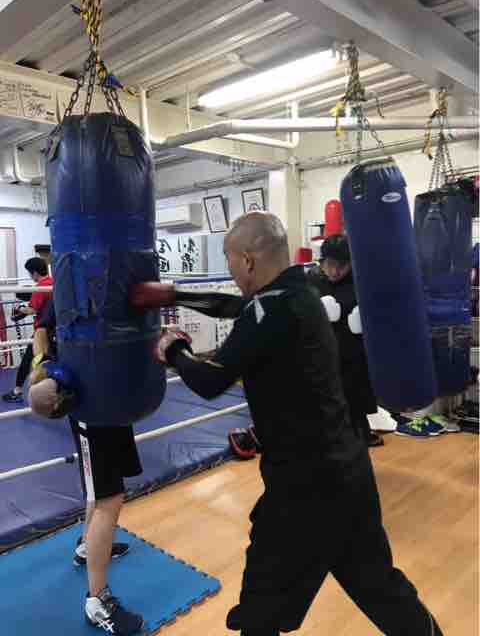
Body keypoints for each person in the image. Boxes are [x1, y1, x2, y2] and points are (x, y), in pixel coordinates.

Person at [155, 212, 443, 636]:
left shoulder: (268, 308)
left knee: (262, 603)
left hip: (304, 487)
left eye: (230, 259)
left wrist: (173, 349)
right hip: (348, 470)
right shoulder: (303, 291)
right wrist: (175, 294)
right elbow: (234, 306)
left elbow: (211, 380)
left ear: (248, 260)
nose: (231, 270)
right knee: (380, 586)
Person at [28, 300, 144, 636]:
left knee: (109, 493)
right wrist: (43, 365)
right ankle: (97, 601)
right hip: (90, 412)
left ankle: (87, 546)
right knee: (108, 497)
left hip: (115, 407)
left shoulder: (113, 288)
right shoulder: (71, 286)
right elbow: (40, 331)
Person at [307, 234, 384, 447]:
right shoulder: (312, 280)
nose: (334, 271)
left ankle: (359, 431)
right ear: (322, 262)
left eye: (341, 266)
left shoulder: (360, 281)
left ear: (350, 263)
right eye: (329, 265)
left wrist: (366, 318)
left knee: (354, 393)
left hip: (352, 350)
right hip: (322, 350)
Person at [2, 257, 52, 403]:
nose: (30, 276)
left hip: (41, 332)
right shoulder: (53, 282)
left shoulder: (40, 288)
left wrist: (20, 308)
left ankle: (17, 391)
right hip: (54, 329)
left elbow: (32, 310)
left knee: (27, 360)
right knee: (49, 359)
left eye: (30, 273)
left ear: (35, 273)